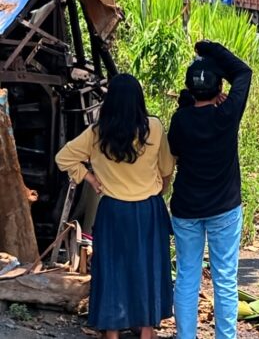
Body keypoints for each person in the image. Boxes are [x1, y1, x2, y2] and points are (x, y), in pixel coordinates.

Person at [56, 74, 174, 339]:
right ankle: (145, 331)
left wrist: (90, 178)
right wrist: (160, 189)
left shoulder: (98, 132)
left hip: (113, 211)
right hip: (147, 210)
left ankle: (111, 333)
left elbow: (63, 158)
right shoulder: (153, 128)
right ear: (138, 100)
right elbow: (167, 168)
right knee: (148, 270)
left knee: (112, 270)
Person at [168, 41, 252, 339]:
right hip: (225, 208)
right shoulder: (226, 114)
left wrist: (192, 102)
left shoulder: (180, 120)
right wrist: (212, 49)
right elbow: (243, 72)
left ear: (189, 90)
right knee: (225, 279)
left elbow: (175, 151)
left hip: (187, 208)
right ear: (219, 88)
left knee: (187, 277)